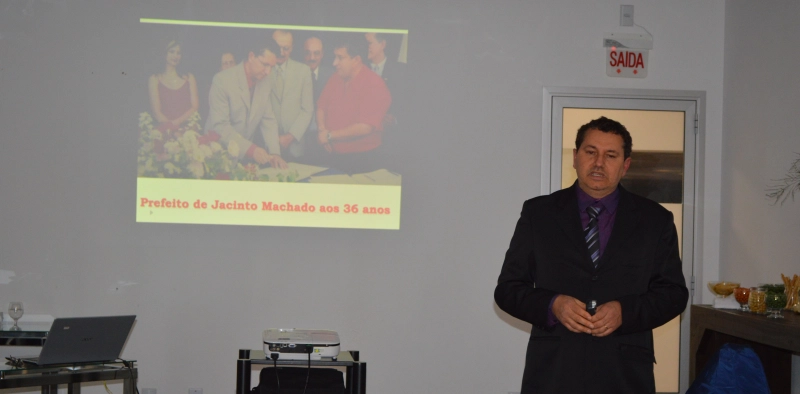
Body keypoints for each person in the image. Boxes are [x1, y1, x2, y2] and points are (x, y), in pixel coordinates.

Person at [494, 117, 688, 394]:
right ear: (575, 157)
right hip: (554, 373)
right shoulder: (539, 214)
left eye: (610, 155)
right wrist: (553, 305)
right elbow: (508, 290)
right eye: (590, 152)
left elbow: (673, 294)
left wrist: (625, 312)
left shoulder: (655, 220)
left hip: (625, 374)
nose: (599, 163)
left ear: (626, 165)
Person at [205, 41, 286, 168]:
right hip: (216, 158)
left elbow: (268, 120)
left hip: (242, 161)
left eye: (271, 67)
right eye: (265, 65)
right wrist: (251, 150)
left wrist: (275, 152)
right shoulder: (221, 80)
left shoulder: (266, 81)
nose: (268, 72)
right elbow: (220, 127)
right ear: (251, 56)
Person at [316, 40, 391, 173]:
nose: (334, 63)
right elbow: (321, 106)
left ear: (356, 60)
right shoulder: (335, 78)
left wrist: (329, 136)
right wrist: (323, 131)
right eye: (335, 57)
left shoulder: (375, 84)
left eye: (340, 58)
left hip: (362, 161)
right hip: (331, 155)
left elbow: (365, 127)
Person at [268, 30, 314, 160]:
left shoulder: (303, 71)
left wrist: (290, 137)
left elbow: (307, 110)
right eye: (278, 48)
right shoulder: (263, 70)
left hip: (296, 145)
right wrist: (273, 138)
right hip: (268, 145)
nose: (281, 53)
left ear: (292, 48)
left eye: (286, 48)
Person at [148, 40, 199, 132]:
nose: (175, 56)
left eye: (178, 53)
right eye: (172, 52)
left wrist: (177, 123)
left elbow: (194, 107)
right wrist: (171, 128)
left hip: (188, 131)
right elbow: (156, 112)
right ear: (164, 53)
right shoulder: (154, 79)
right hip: (164, 132)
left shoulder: (189, 77)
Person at [365, 32, 405, 127]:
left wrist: (395, 119)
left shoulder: (399, 71)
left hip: (390, 131)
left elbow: (405, 101)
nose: (367, 47)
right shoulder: (360, 69)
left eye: (370, 43)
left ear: (382, 44)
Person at [304, 36, 333, 103]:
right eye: (308, 53)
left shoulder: (331, 76)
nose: (312, 58)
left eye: (316, 53)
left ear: (322, 54)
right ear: (303, 53)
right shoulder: (294, 75)